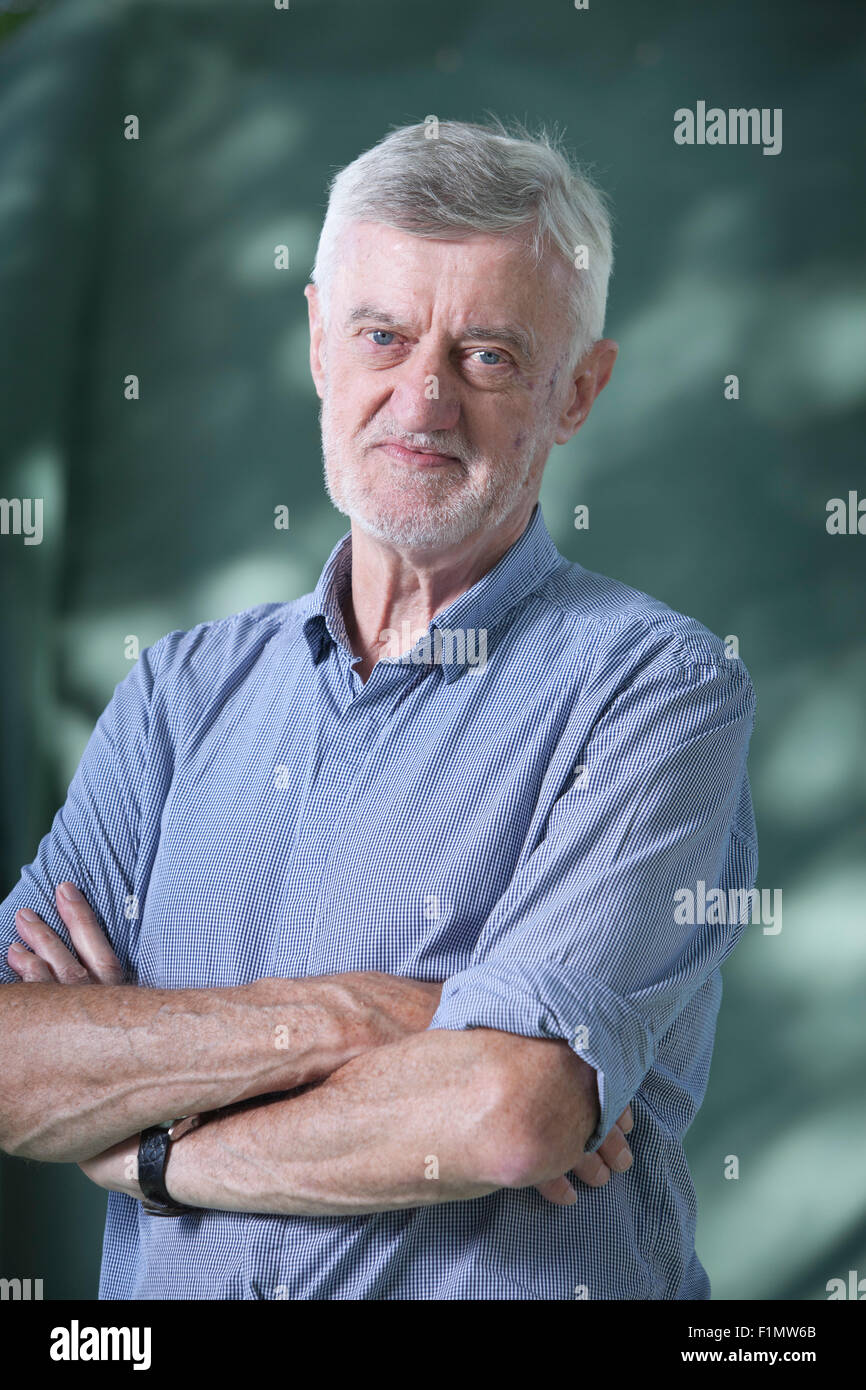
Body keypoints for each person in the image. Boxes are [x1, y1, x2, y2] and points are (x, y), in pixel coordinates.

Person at [0, 118, 757, 1300]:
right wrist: (380, 1017)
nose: (422, 399)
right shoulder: (176, 694)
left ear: (578, 391)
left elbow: (507, 1111)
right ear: (316, 342)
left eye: (490, 356)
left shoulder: (655, 688)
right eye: (382, 336)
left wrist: (153, 1148)